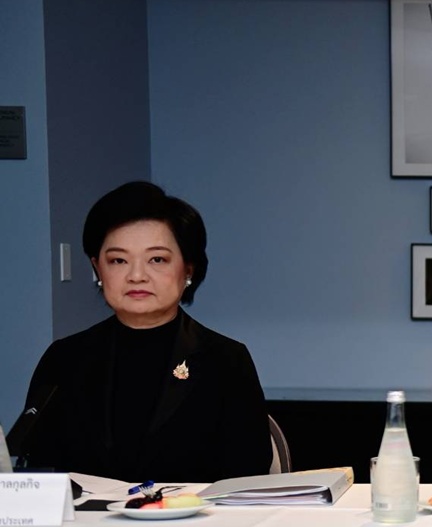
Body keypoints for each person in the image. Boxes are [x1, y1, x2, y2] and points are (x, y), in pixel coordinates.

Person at [15, 182, 272, 482]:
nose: (137, 276)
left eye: (157, 259)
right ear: (97, 268)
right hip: (87, 514)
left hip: (194, 513)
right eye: (118, 260)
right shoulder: (64, 359)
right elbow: (39, 470)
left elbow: (247, 474)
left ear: (188, 269)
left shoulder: (226, 360)